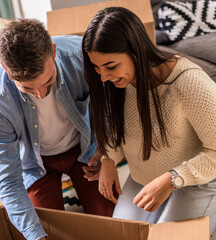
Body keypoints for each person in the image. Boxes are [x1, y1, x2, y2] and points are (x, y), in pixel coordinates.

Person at [82, 6, 216, 236]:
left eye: (110, 66)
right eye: (97, 68)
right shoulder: (121, 82)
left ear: (136, 51)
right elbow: (120, 128)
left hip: (199, 180)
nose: (103, 77)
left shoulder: (188, 82)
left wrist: (173, 179)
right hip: (146, 176)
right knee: (119, 235)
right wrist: (108, 158)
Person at [0, 19, 115, 240]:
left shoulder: (82, 58)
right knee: (45, 230)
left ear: (52, 51)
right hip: (36, 163)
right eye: (27, 88)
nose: (41, 94)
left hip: (86, 150)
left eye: (48, 81)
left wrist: (109, 154)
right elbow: (7, 179)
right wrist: (35, 235)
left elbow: (113, 108)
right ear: (5, 68)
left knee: (109, 224)